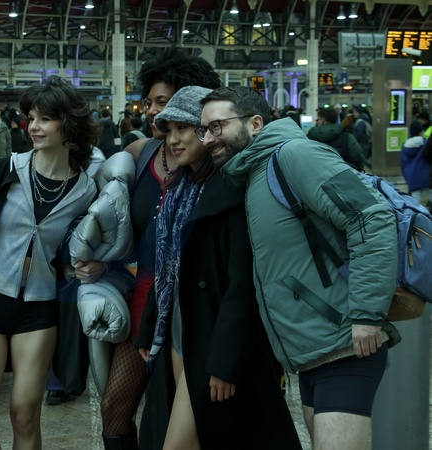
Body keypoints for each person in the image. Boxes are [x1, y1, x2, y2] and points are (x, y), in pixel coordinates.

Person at [201, 86, 399, 450]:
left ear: (255, 123)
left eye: (216, 127)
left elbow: (371, 217)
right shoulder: (254, 173)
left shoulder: (295, 155)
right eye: (204, 130)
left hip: (344, 347)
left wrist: (367, 314)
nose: (208, 139)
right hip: (311, 356)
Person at [136, 85, 301, 450]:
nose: (173, 139)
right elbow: (166, 270)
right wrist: (149, 327)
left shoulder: (233, 190)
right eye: (168, 130)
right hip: (179, 333)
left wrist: (226, 361)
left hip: (211, 339)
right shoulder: (179, 190)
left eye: (184, 128)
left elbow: (243, 285)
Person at [0, 75, 97, 450]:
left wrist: (88, 266)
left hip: (39, 309)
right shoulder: (5, 170)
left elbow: (77, 251)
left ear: (69, 125)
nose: (33, 126)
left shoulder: (86, 190)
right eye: (31, 118)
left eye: (45, 119)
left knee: (24, 415)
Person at [105, 46, 220, 450]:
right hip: (143, 299)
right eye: (150, 102)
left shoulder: (213, 162)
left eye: (164, 102)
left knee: (175, 417)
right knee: (114, 407)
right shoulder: (138, 155)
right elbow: (113, 228)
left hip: (191, 306)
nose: (153, 111)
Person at [401, 120, 430, 203]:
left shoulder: (405, 146)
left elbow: (402, 164)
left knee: (414, 203)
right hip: (426, 177)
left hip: (411, 178)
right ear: (421, 132)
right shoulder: (426, 144)